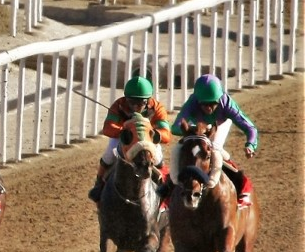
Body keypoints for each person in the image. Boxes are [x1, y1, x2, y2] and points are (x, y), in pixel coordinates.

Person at [88, 69, 173, 202]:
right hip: (125, 138)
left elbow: (166, 134)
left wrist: (152, 133)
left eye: (140, 103)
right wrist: (124, 130)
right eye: (131, 102)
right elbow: (108, 128)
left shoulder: (157, 108)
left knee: (157, 158)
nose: (135, 106)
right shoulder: (119, 104)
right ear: (126, 98)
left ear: (148, 100)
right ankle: (99, 183)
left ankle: (164, 186)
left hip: (148, 140)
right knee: (110, 153)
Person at [170, 73, 258, 200]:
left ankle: (240, 185)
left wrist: (250, 144)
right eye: (204, 104)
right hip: (197, 129)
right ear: (198, 100)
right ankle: (168, 187)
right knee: (178, 149)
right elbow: (175, 127)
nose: (209, 108)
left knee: (215, 147)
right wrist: (195, 131)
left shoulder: (227, 104)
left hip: (220, 124)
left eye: (212, 103)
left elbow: (250, 128)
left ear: (219, 98)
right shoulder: (192, 102)